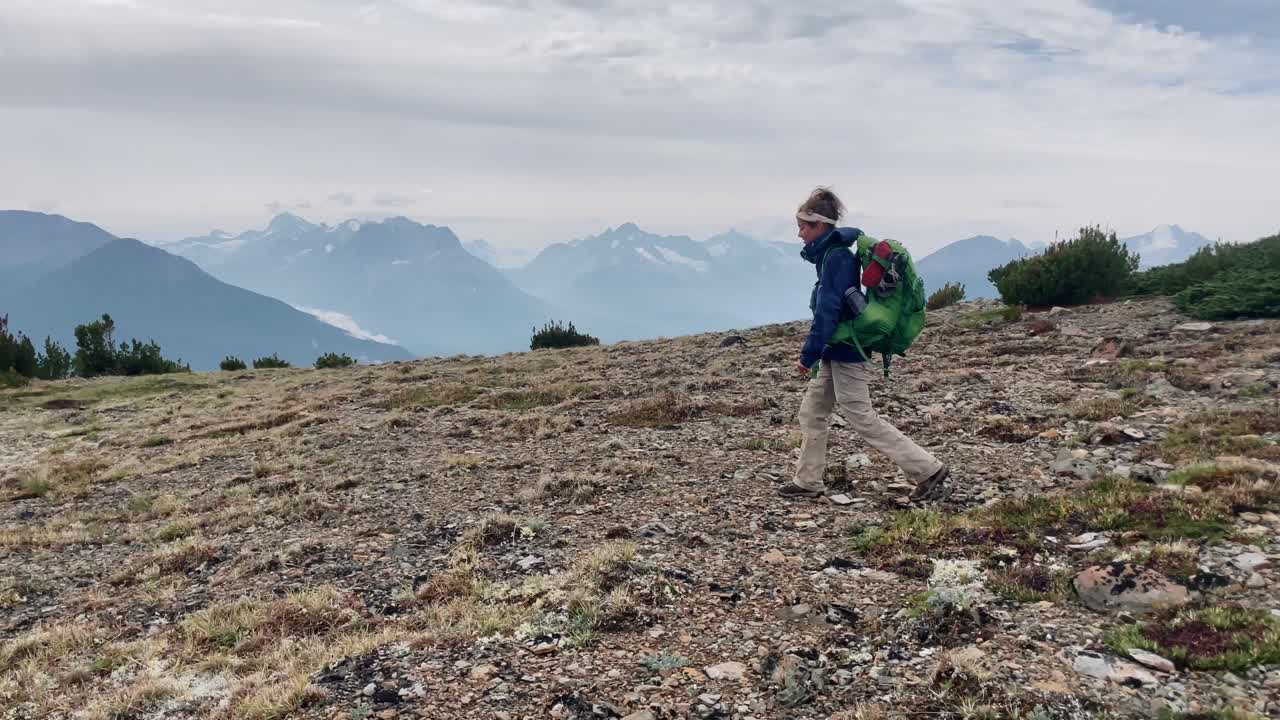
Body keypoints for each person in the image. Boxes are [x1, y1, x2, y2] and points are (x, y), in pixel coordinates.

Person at [777, 187, 950, 502]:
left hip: (846, 349)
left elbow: (828, 310)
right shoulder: (831, 254)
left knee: (861, 416)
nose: (799, 232)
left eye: (804, 225)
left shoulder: (836, 258)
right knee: (813, 411)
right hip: (836, 348)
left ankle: (928, 469)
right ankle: (808, 480)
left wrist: (807, 355)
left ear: (821, 225)